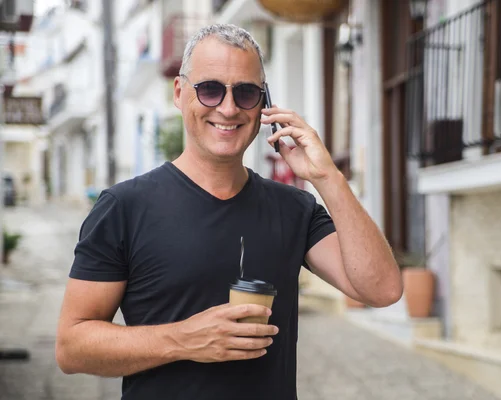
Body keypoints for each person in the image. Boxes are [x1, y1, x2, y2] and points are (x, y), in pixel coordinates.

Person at [56, 24, 402, 399]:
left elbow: (381, 290)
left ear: (264, 103)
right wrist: (183, 340)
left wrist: (327, 177)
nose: (228, 107)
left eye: (246, 92)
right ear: (179, 92)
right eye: (210, 89)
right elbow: (72, 347)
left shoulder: (294, 208)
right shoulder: (123, 208)